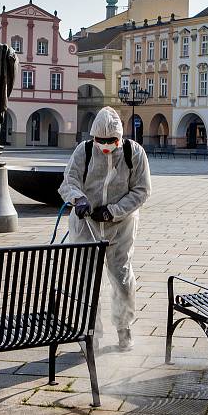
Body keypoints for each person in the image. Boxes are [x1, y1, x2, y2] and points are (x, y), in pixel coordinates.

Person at [58, 107, 152, 351]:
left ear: (120, 137)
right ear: (93, 138)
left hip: (121, 227)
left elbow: (142, 190)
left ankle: (124, 328)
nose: (106, 145)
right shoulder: (84, 151)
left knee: (121, 278)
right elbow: (69, 181)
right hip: (85, 226)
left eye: (112, 141)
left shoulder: (135, 153)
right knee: (86, 280)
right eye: (101, 141)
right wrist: (78, 199)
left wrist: (114, 210)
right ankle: (90, 332)